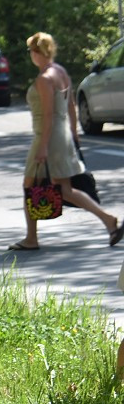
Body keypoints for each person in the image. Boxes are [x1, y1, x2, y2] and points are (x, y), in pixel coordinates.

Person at [7, 32, 123, 251]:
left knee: (33, 185)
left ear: (37, 52)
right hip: (62, 135)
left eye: (31, 50)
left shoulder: (44, 78)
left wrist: (43, 147)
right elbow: (70, 106)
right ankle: (108, 220)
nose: (30, 54)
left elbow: (49, 114)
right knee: (62, 188)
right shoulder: (60, 72)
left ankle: (32, 239)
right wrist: (73, 134)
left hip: (47, 136)